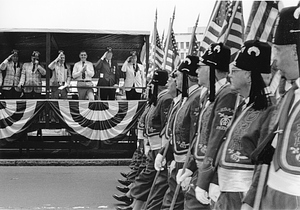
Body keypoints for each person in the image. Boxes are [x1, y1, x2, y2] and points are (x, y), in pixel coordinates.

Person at [242, 6, 300, 210]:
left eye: (277, 51)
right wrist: (250, 201)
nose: (273, 62)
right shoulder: (290, 96)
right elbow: (268, 154)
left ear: (295, 51)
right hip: (271, 198)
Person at [206, 40, 272, 210]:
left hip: (243, 195)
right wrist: (215, 180)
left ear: (249, 76)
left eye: (235, 71)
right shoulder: (244, 105)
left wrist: (250, 201)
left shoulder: (269, 110)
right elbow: (225, 144)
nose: (230, 75)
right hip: (227, 193)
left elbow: (265, 164)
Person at [176, 43, 237, 210]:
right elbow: (199, 136)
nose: (196, 72)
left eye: (201, 67)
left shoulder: (228, 95)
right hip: (200, 167)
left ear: (212, 69)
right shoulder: (211, 95)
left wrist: (209, 180)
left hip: (211, 172)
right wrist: (189, 167)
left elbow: (219, 140)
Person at [155, 55, 202, 210]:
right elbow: (174, 132)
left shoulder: (196, 98)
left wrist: (190, 168)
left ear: (187, 76)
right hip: (177, 160)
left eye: (178, 75)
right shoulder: (186, 98)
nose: (175, 79)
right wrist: (164, 153)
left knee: (174, 205)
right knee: (170, 204)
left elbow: (196, 136)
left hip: (185, 162)